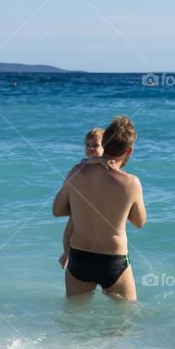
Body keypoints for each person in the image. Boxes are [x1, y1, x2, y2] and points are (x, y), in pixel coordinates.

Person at [53, 116, 146, 301]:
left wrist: (84, 207)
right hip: (113, 261)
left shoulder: (77, 171)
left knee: (74, 320)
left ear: (103, 143)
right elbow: (139, 222)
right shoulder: (131, 183)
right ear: (129, 151)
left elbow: (58, 210)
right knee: (124, 323)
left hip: (79, 256)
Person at [59, 127, 104, 269]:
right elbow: (86, 162)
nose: (90, 149)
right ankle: (66, 253)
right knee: (68, 233)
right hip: (79, 205)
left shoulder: (107, 163)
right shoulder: (85, 162)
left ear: (105, 147)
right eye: (87, 145)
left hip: (97, 208)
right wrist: (98, 161)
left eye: (95, 145)